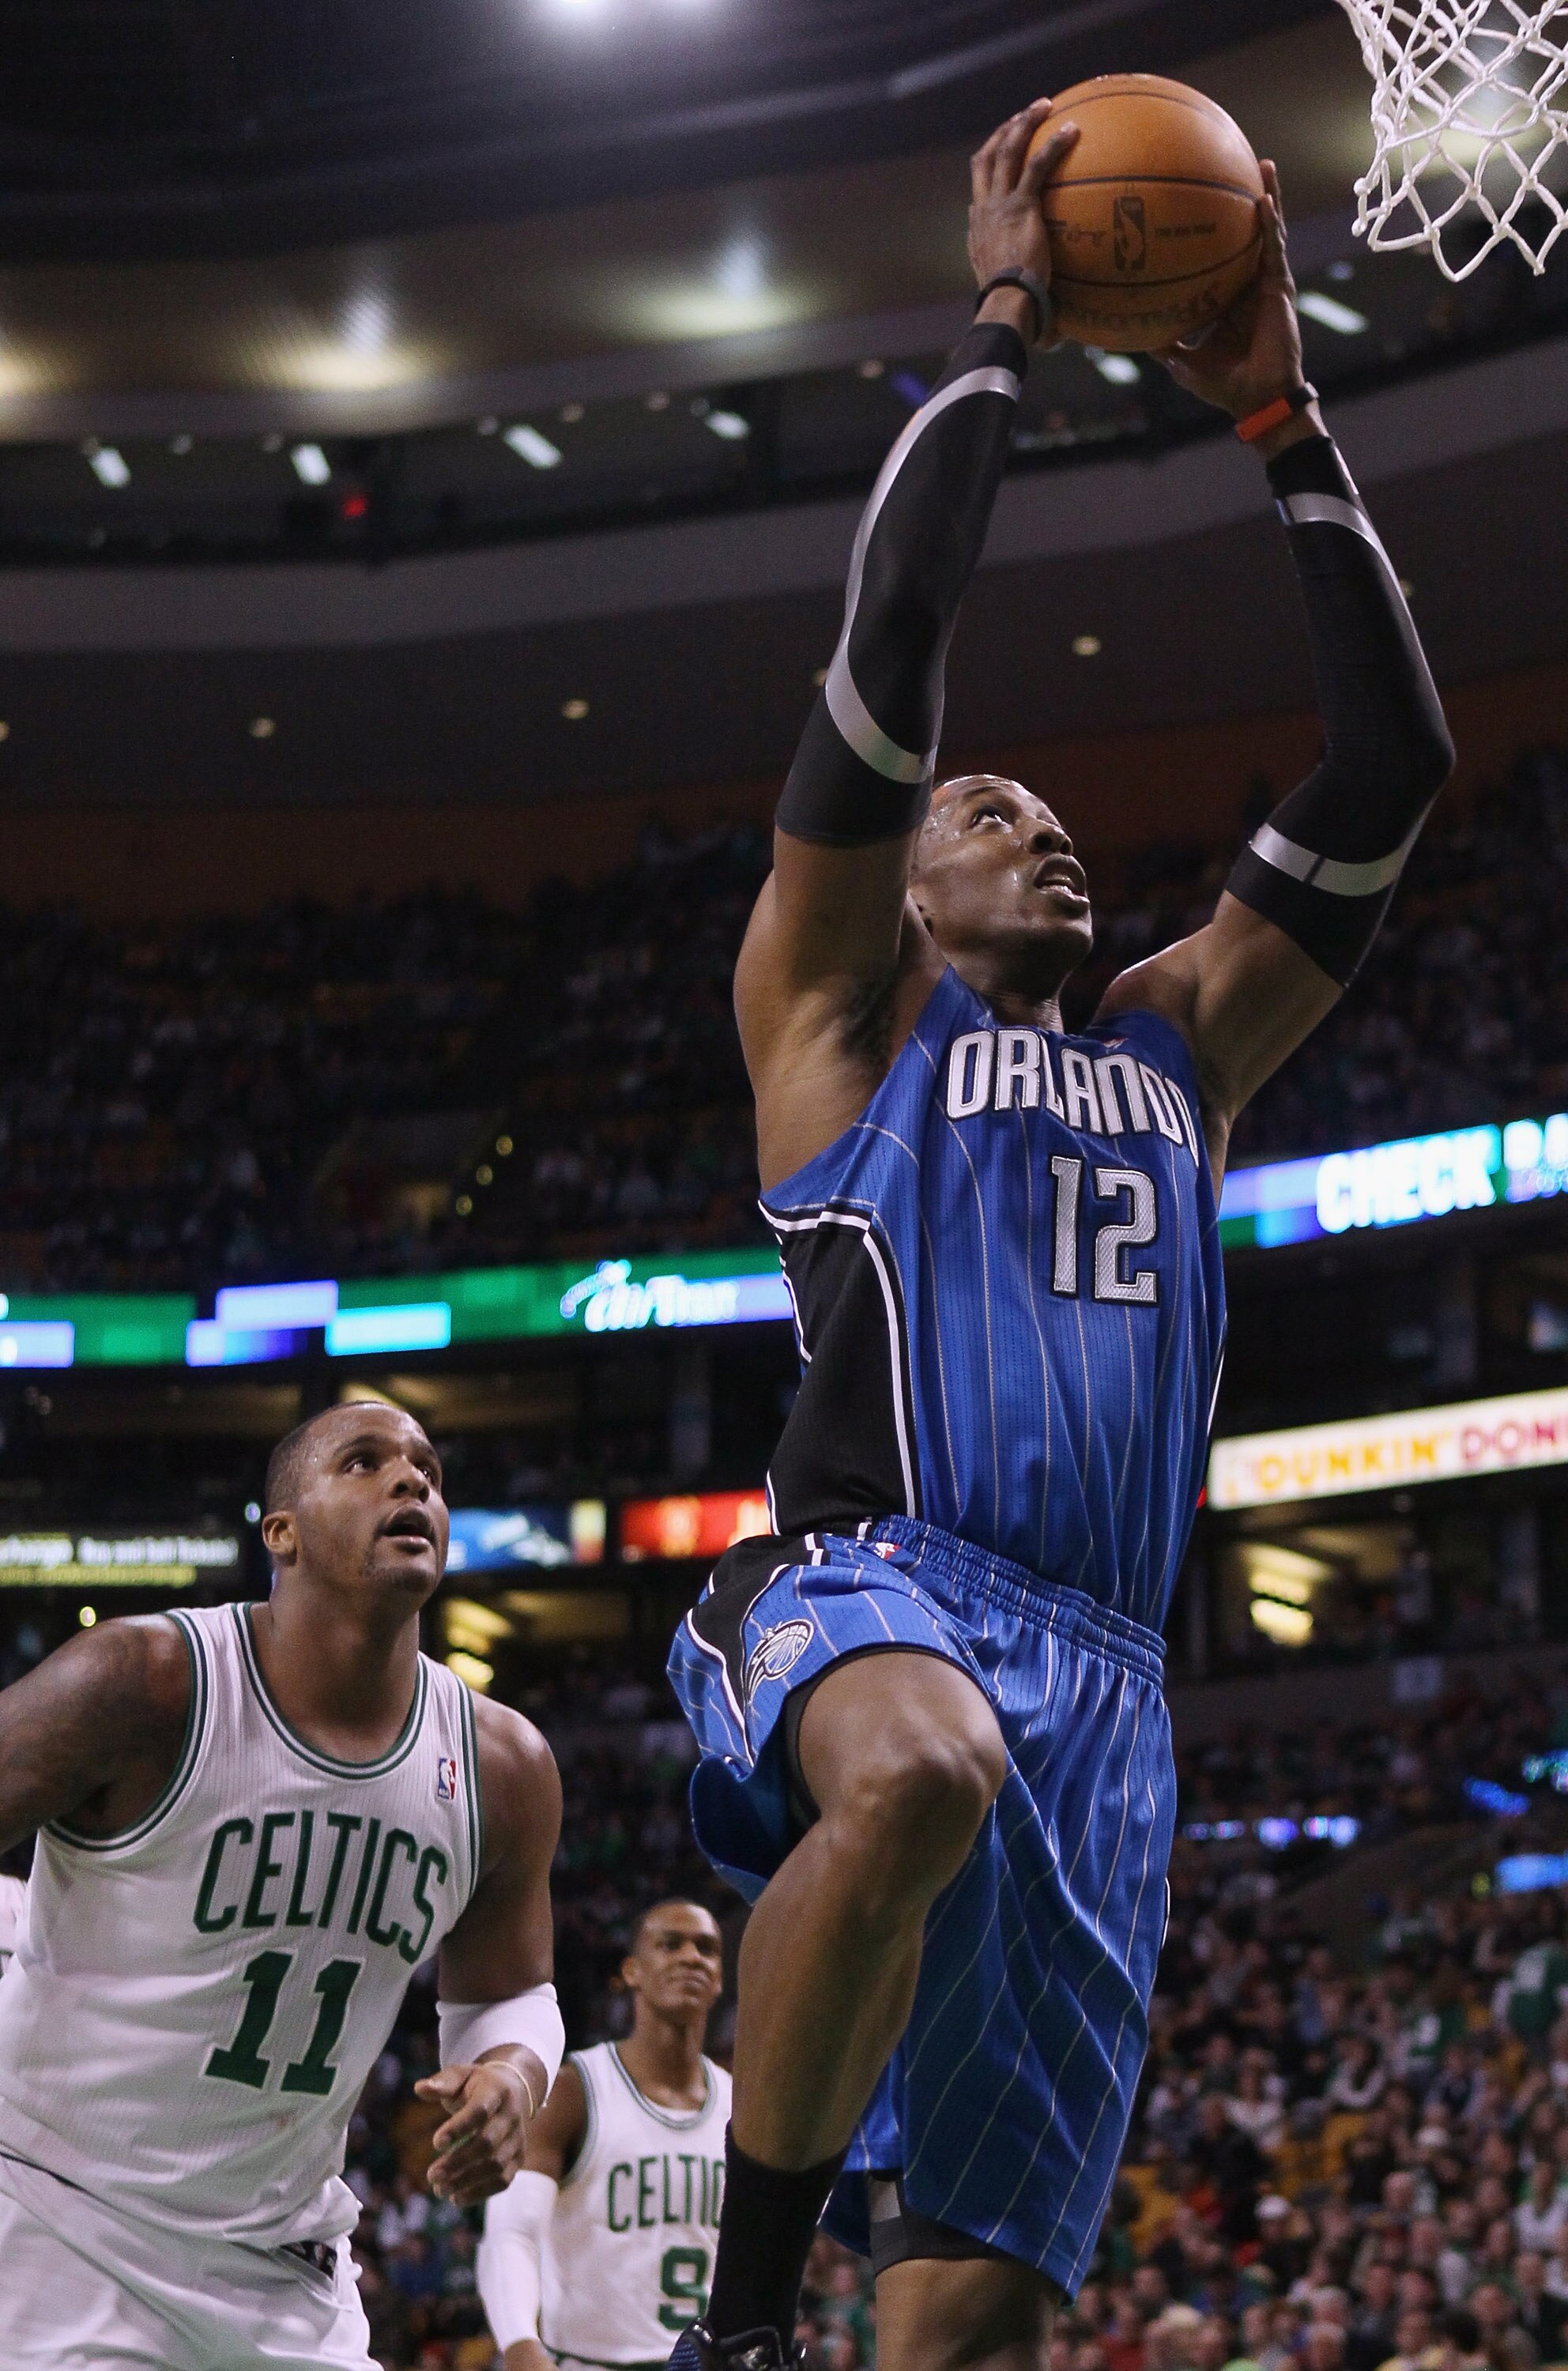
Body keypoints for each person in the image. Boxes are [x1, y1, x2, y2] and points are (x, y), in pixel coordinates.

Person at [666, 90, 1453, 2371]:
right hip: (870, 1578)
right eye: (986, 814)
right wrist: (1005, 311)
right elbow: (897, 628)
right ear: (903, 874)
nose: (1042, 831)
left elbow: (1392, 771)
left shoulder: (1179, 1045)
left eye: (1054, 814)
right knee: (916, 1772)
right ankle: (729, 2330)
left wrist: (1285, 410)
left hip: (1115, 1684)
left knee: (982, 2322)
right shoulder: (831, 1021)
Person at [0, 1396, 565, 2370]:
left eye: (427, 1466)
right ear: (282, 1534)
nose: (411, 1480)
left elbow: (513, 1992)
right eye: (364, 1461)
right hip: (67, 2233)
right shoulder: (141, 1683)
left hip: (290, 2269)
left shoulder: (502, 1765)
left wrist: (512, 2072)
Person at [479, 1898, 731, 2371]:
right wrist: (519, 2346)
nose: (691, 1957)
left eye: (707, 1948)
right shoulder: (576, 2090)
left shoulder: (740, 2105)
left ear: (719, 1978)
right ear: (632, 1971)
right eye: (670, 1944)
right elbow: (512, 2232)